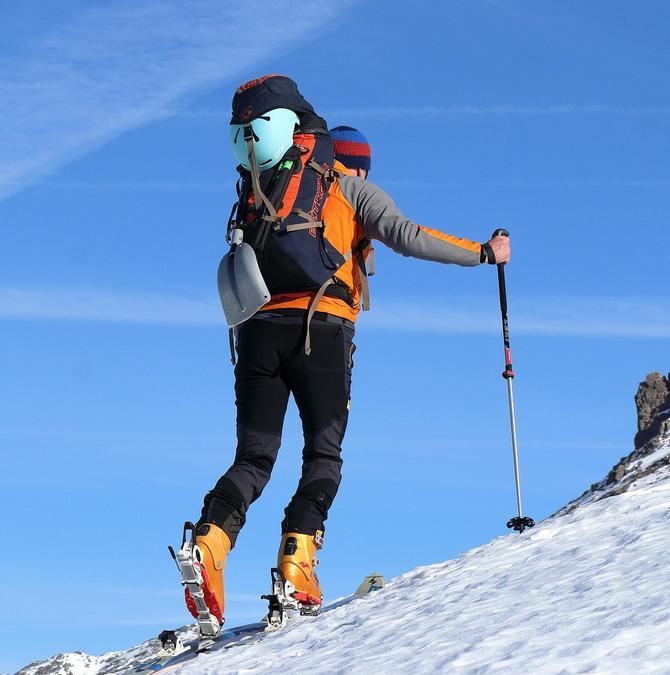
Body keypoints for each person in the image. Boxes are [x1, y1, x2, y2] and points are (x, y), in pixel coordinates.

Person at [184, 75, 510, 629]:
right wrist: (483, 252)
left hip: (258, 332)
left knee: (254, 459)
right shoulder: (350, 188)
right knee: (323, 456)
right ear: (356, 161)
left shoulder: (265, 186)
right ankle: (295, 565)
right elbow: (407, 234)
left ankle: (210, 546)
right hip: (323, 334)